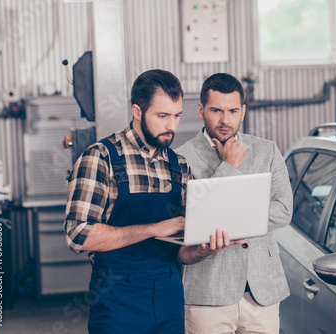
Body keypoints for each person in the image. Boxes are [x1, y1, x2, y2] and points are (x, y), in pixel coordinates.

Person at [64, 69, 233, 334]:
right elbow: (78, 235)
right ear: (137, 111)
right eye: (162, 116)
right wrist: (154, 228)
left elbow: (181, 253)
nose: (172, 126)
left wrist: (204, 249)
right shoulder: (100, 158)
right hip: (118, 303)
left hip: (169, 299)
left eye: (177, 116)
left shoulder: (179, 165)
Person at [176, 73, 294, 334]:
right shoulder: (180, 158)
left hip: (261, 291)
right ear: (200, 110)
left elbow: (283, 211)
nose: (225, 120)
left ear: (243, 111)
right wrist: (229, 166)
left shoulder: (267, 150)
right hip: (207, 294)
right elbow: (192, 222)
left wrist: (224, 216)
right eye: (216, 110)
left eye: (232, 110)